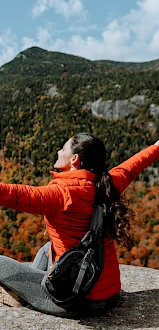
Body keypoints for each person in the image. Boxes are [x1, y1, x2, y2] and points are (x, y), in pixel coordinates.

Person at [0, 132, 159, 317]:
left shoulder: (61, 194)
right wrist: (156, 147)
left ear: (74, 159)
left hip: (75, 301)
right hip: (108, 295)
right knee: (47, 249)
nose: (59, 151)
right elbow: (132, 166)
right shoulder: (107, 184)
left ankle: (27, 295)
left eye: (63, 148)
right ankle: (25, 293)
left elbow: (15, 194)